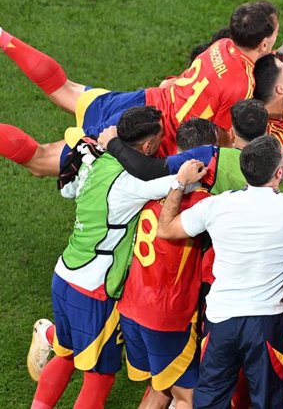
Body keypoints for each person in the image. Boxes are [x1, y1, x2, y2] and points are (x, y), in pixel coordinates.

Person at [28, 107, 207, 409]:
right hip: (93, 290)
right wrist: (186, 174)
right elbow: (185, 180)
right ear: (148, 146)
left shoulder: (96, 161)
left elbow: (68, 191)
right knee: (99, 377)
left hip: (65, 273)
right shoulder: (133, 184)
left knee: (66, 354)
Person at [154, 135, 283, 408]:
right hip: (266, 324)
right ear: (279, 172)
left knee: (210, 401)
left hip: (221, 319)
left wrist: (179, 182)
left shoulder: (216, 206)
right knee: (268, 401)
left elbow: (166, 229)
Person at [0, 0, 279, 175]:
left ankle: (3, 38)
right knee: (41, 160)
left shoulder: (222, 45)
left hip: (145, 101)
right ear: (264, 44)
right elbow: (221, 136)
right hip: (153, 135)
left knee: (65, 90)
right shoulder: (243, 82)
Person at [114, 120, 218, 409]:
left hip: (133, 306)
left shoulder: (148, 192)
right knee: (188, 397)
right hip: (167, 315)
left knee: (161, 389)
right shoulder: (202, 205)